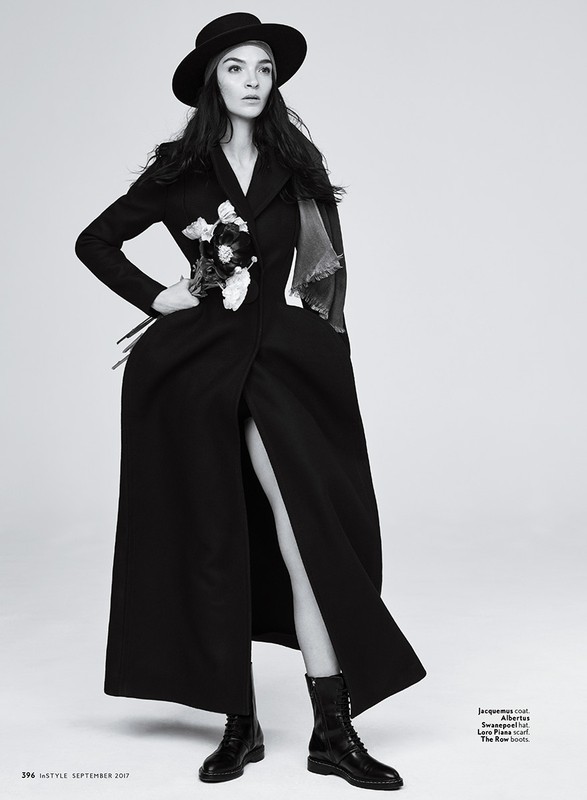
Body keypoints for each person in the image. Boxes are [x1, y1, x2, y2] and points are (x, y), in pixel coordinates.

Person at [75, 12, 426, 790]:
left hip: (281, 365)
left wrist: (323, 348)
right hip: (193, 372)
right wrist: (158, 297)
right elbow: (94, 241)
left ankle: (332, 730)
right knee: (214, 536)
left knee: (306, 535)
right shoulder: (179, 170)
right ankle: (239, 723)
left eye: (263, 67)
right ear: (213, 80)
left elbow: (326, 271)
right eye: (236, 67)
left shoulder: (295, 163)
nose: (252, 80)